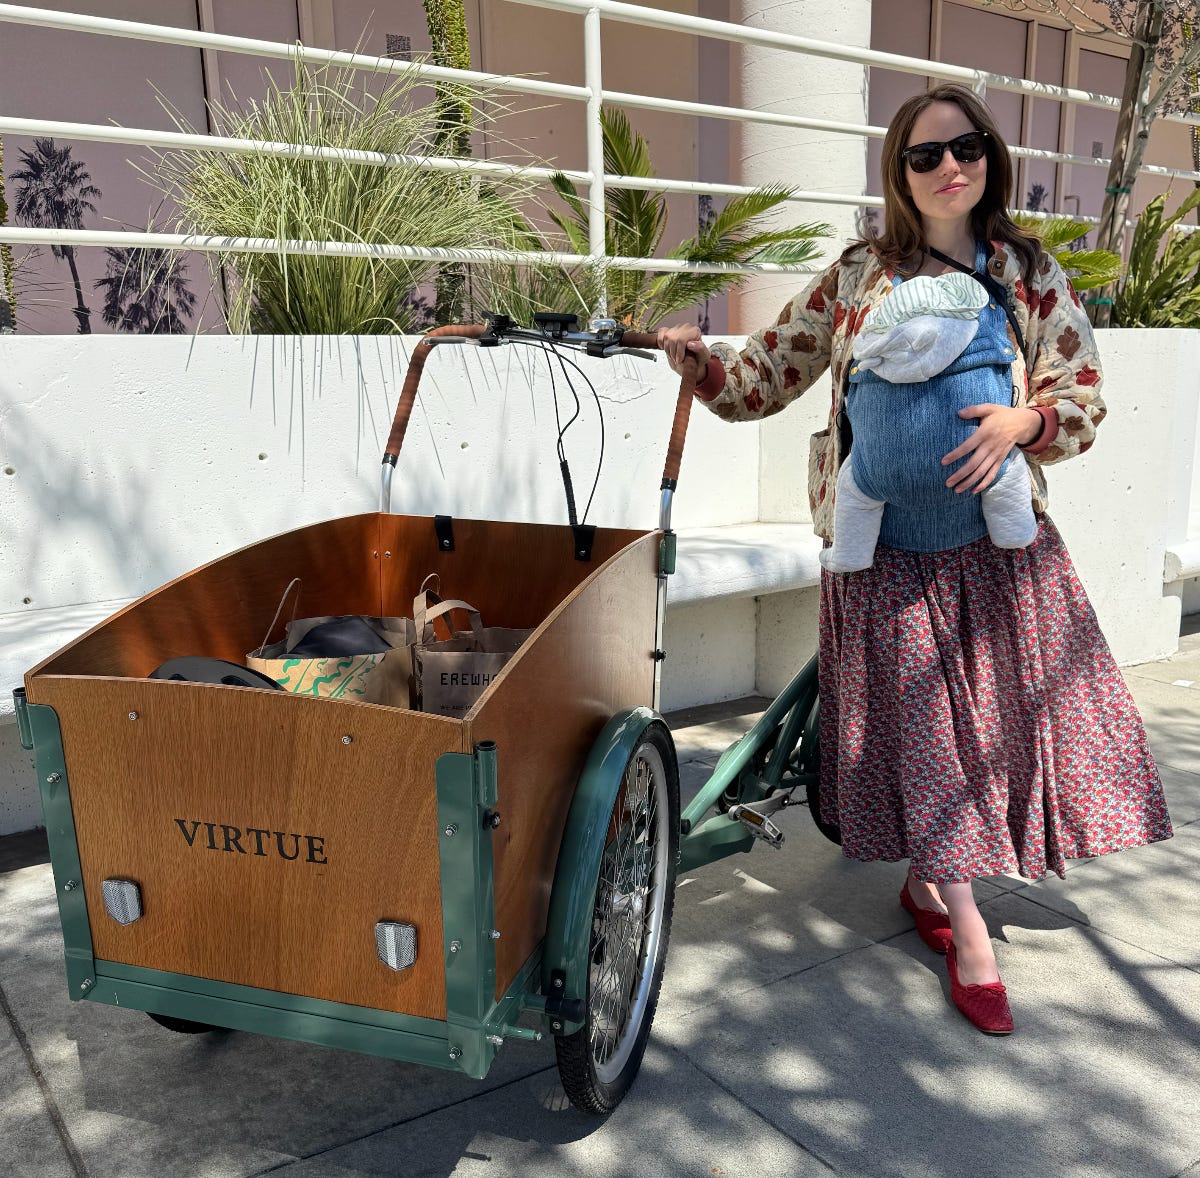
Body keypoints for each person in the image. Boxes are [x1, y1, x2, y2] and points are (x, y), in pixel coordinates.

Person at [657, 83, 1172, 1035]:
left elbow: (1082, 394)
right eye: (925, 155)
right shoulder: (861, 274)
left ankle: (932, 883)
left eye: (965, 147)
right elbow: (769, 371)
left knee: (995, 736)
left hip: (995, 554)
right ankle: (971, 933)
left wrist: (1025, 421)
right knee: (933, 740)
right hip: (884, 554)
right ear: (899, 172)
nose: (949, 168)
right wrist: (705, 369)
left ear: (990, 157)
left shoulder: (1025, 271)